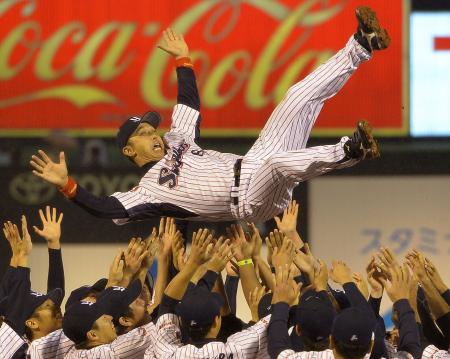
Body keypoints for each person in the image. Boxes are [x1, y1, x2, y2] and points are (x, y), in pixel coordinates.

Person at [30, 7, 390, 224]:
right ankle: (351, 150)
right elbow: (106, 208)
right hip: (248, 200)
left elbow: (188, 103)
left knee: (298, 98)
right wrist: (67, 186)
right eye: (143, 130)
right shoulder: (147, 191)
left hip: (252, 162)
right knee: (278, 165)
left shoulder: (176, 139)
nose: (154, 132)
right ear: (129, 149)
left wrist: (182, 60)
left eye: (150, 127)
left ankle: (361, 44)